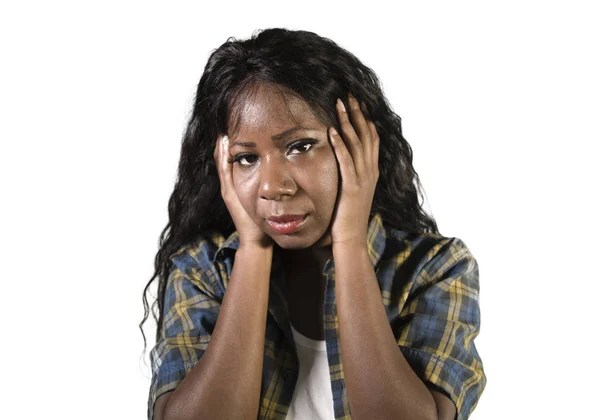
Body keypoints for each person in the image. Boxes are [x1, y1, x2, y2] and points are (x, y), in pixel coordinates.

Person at [141, 28, 486, 420]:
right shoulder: (202, 269)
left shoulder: (436, 269)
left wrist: (351, 245)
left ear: (361, 144)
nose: (273, 186)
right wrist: (252, 251)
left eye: (300, 146)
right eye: (246, 158)